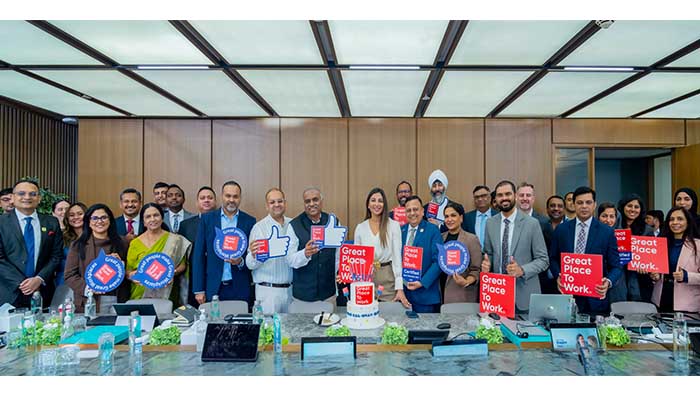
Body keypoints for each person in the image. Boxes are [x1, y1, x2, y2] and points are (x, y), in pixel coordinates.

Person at [550, 186, 622, 316]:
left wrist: (608, 282)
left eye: (588, 202)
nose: (584, 206)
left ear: (594, 205)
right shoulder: (561, 230)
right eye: (580, 202)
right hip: (567, 295)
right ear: (573, 204)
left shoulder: (606, 232)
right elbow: (553, 258)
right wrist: (558, 276)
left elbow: (616, 266)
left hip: (595, 299)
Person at [481, 180, 549, 312]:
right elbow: (488, 253)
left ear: (515, 196)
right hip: (497, 293)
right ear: (495, 199)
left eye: (508, 194)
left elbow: (543, 260)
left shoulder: (532, 223)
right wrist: (486, 264)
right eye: (500, 195)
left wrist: (522, 270)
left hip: (524, 295)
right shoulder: (490, 223)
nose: (504, 198)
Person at [0, 180, 64, 307]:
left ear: (39, 198)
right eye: (21, 193)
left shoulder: (51, 222)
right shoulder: (2, 223)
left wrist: (39, 279)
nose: (27, 197)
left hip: (43, 291)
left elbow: (56, 256)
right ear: (12, 198)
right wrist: (23, 283)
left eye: (32, 194)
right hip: (9, 292)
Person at [192, 181, 256, 306]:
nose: (231, 200)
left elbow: (252, 255)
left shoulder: (249, 221)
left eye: (235, 196)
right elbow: (198, 256)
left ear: (240, 198)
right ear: (222, 196)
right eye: (228, 196)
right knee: (214, 319)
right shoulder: (207, 219)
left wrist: (241, 261)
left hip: (240, 286)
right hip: (213, 286)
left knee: (240, 318)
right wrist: (199, 289)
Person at [64, 204, 129, 312]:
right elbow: (69, 275)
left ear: (110, 220)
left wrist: (121, 265)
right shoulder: (78, 245)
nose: (99, 221)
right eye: (94, 218)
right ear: (88, 222)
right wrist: (89, 288)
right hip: (88, 301)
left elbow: (129, 271)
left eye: (104, 217)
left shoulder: (123, 242)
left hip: (117, 299)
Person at [353, 187, 410, 307]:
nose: (377, 204)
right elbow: (356, 259)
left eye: (380, 201)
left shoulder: (393, 226)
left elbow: (397, 258)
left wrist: (399, 288)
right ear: (368, 205)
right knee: (367, 313)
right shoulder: (360, 228)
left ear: (384, 205)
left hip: (387, 277)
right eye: (373, 200)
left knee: (388, 314)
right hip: (366, 278)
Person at [286, 187, 341, 308]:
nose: (311, 204)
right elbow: (290, 260)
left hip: (328, 294)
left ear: (321, 201)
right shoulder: (294, 225)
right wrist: (305, 254)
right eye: (307, 201)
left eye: (315, 200)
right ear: (304, 204)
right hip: (303, 296)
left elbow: (338, 256)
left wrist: (340, 272)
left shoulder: (334, 222)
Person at [126, 203, 190, 306]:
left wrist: (170, 273)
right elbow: (128, 271)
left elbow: (182, 265)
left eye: (156, 215)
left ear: (162, 218)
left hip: (166, 290)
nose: (153, 219)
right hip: (141, 292)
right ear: (143, 222)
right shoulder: (135, 243)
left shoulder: (175, 240)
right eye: (148, 217)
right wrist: (131, 276)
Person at [245, 188, 294, 314]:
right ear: (267, 206)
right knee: (269, 326)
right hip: (268, 292)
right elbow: (250, 264)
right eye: (272, 202)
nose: (277, 205)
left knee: (291, 326)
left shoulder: (293, 224)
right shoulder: (259, 228)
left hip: (291, 291)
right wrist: (255, 255)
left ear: (285, 203)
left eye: (280, 201)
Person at [649, 207, 700, 312]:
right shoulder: (660, 243)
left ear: (688, 222)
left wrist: (687, 276)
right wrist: (655, 275)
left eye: (680, 219)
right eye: (672, 219)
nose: (675, 222)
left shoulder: (698, 245)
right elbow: (655, 269)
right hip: (661, 299)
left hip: (687, 303)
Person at [401, 195, 442, 313]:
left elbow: (438, 261)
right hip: (404, 295)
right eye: (409, 210)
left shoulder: (433, 230)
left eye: (415, 209)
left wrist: (422, 282)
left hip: (425, 295)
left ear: (423, 211)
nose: (412, 213)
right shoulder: (400, 231)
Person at [179, 186, 217, 307]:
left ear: (215, 201)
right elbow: (182, 254)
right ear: (197, 202)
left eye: (210, 198)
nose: (206, 200)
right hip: (194, 279)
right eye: (202, 198)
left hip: (217, 278)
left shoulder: (223, 223)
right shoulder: (185, 225)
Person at [441, 202, 482, 304]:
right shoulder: (440, 238)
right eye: (446, 216)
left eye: (453, 215)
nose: (449, 219)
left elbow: (476, 269)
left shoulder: (471, 239)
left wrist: (466, 281)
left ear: (461, 218)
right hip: (440, 292)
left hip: (461, 295)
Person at [618, 193, 654, 302]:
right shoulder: (616, 226)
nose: (633, 209)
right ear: (623, 207)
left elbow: (651, 255)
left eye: (636, 207)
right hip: (619, 276)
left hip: (639, 279)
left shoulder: (647, 230)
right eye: (629, 206)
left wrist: (645, 265)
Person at [597, 202, 626, 304]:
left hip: (618, 283)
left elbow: (623, 263)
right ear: (598, 217)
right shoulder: (593, 235)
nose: (608, 220)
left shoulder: (623, 235)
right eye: (604, 216)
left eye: (612, 216)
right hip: (597, 282)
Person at [54, 202, 87, 287]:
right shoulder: (61, 237)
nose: (76, 217)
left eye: (80, 214)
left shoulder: (95, 237)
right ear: (67, 218)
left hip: (89, 281)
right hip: (64, 282)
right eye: (71, 215)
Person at [539, 195, 566, 294]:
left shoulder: (571, 228)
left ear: (564, 209)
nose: (556, 208)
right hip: (543, 278)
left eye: (560, 206)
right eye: (552, 206)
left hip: (565, 278)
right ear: (547, 209)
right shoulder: (539, 227)